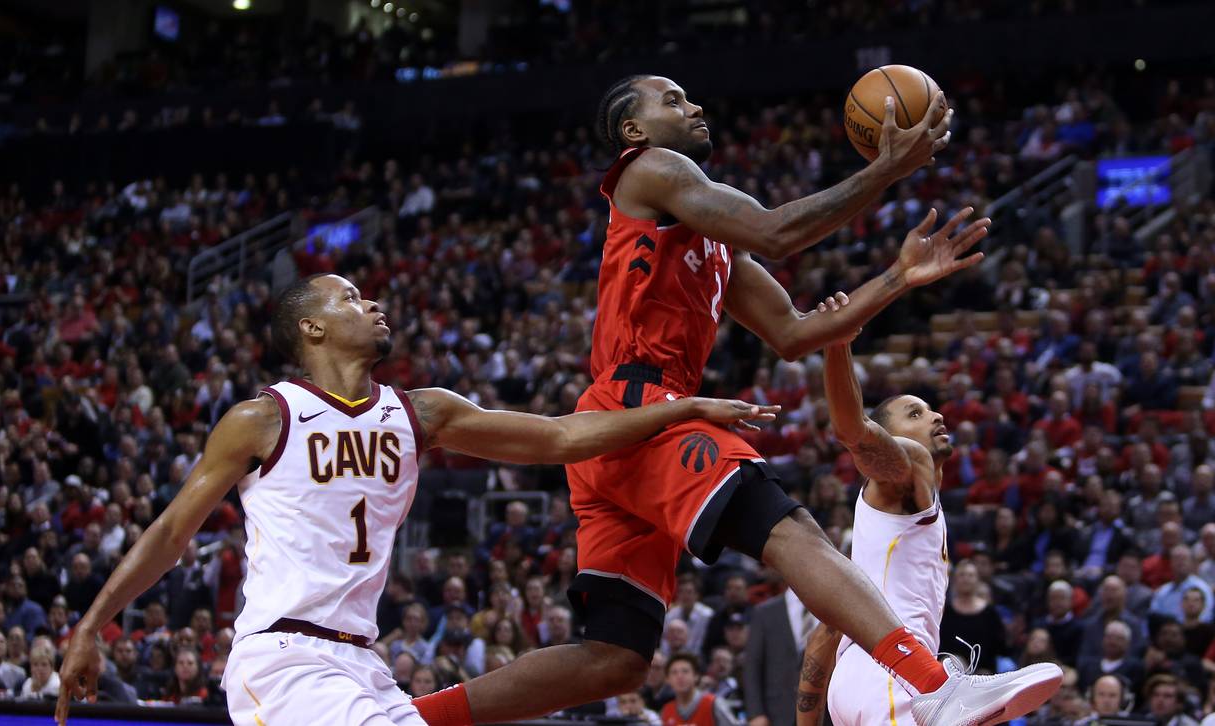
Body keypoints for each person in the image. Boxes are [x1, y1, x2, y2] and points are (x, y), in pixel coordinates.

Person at [415, 74, 1020, 726]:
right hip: (637, 407)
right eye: (672, 100)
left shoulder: (707, 238)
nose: (695, 105)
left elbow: (793, 333)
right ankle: (933, 685)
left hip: (616, 427)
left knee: (613, 657)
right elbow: (776, 231)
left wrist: (899, 277)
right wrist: (883, 172)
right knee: (790, 529)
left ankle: (413, 718)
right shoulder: (651, 169)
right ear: (633, 131)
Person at [55, 273, 775, 726]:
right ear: (311, 327)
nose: (371, 305)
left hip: (366, 664)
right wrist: (92, 624)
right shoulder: (263, 418)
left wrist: (678, 410)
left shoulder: (421, 412)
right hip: (283, 657)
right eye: (349, 298)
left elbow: (561, 435)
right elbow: (172, 531)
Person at [797, 338, 1061, 726]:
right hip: (891, 675)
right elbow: (851, 430)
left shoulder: (887, 527)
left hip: (860, 683)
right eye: (915, 413)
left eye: (932, 409)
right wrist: (838, 344)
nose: (936, 416)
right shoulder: (905, 469)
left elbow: (824, 637)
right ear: (889, 435)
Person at [659, 652, 738, 726]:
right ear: (667, 679)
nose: (680, 677)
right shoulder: (666, 711)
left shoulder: (713, 704)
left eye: (685, 671)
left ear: (696, 676)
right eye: (674, 672)